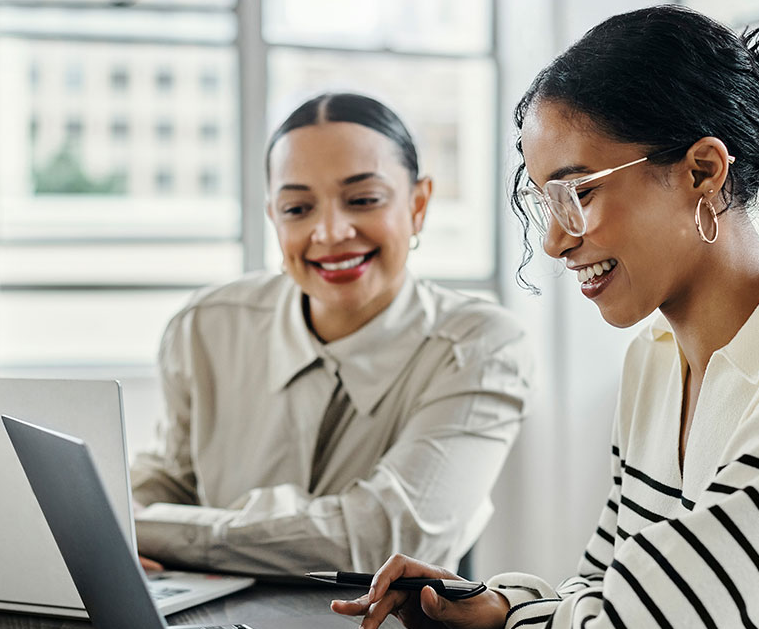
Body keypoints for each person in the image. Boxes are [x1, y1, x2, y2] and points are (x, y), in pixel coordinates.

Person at [331, 6, 759, 629]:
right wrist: (498, 607)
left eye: (579, 193)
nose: (557, 243)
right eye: (545, 203)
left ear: (703, 172)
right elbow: (605, 592)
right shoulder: (656, 358)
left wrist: (521, 621)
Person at [130, 93, 532, 576]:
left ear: (418, 204)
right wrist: (113, 525)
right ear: (274, 219)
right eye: (297, 208)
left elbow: (387, 541)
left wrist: (150, 530)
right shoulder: (207, 326)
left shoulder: (481, 345)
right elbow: (167, 482)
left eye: (363, 200)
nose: (330, 232)